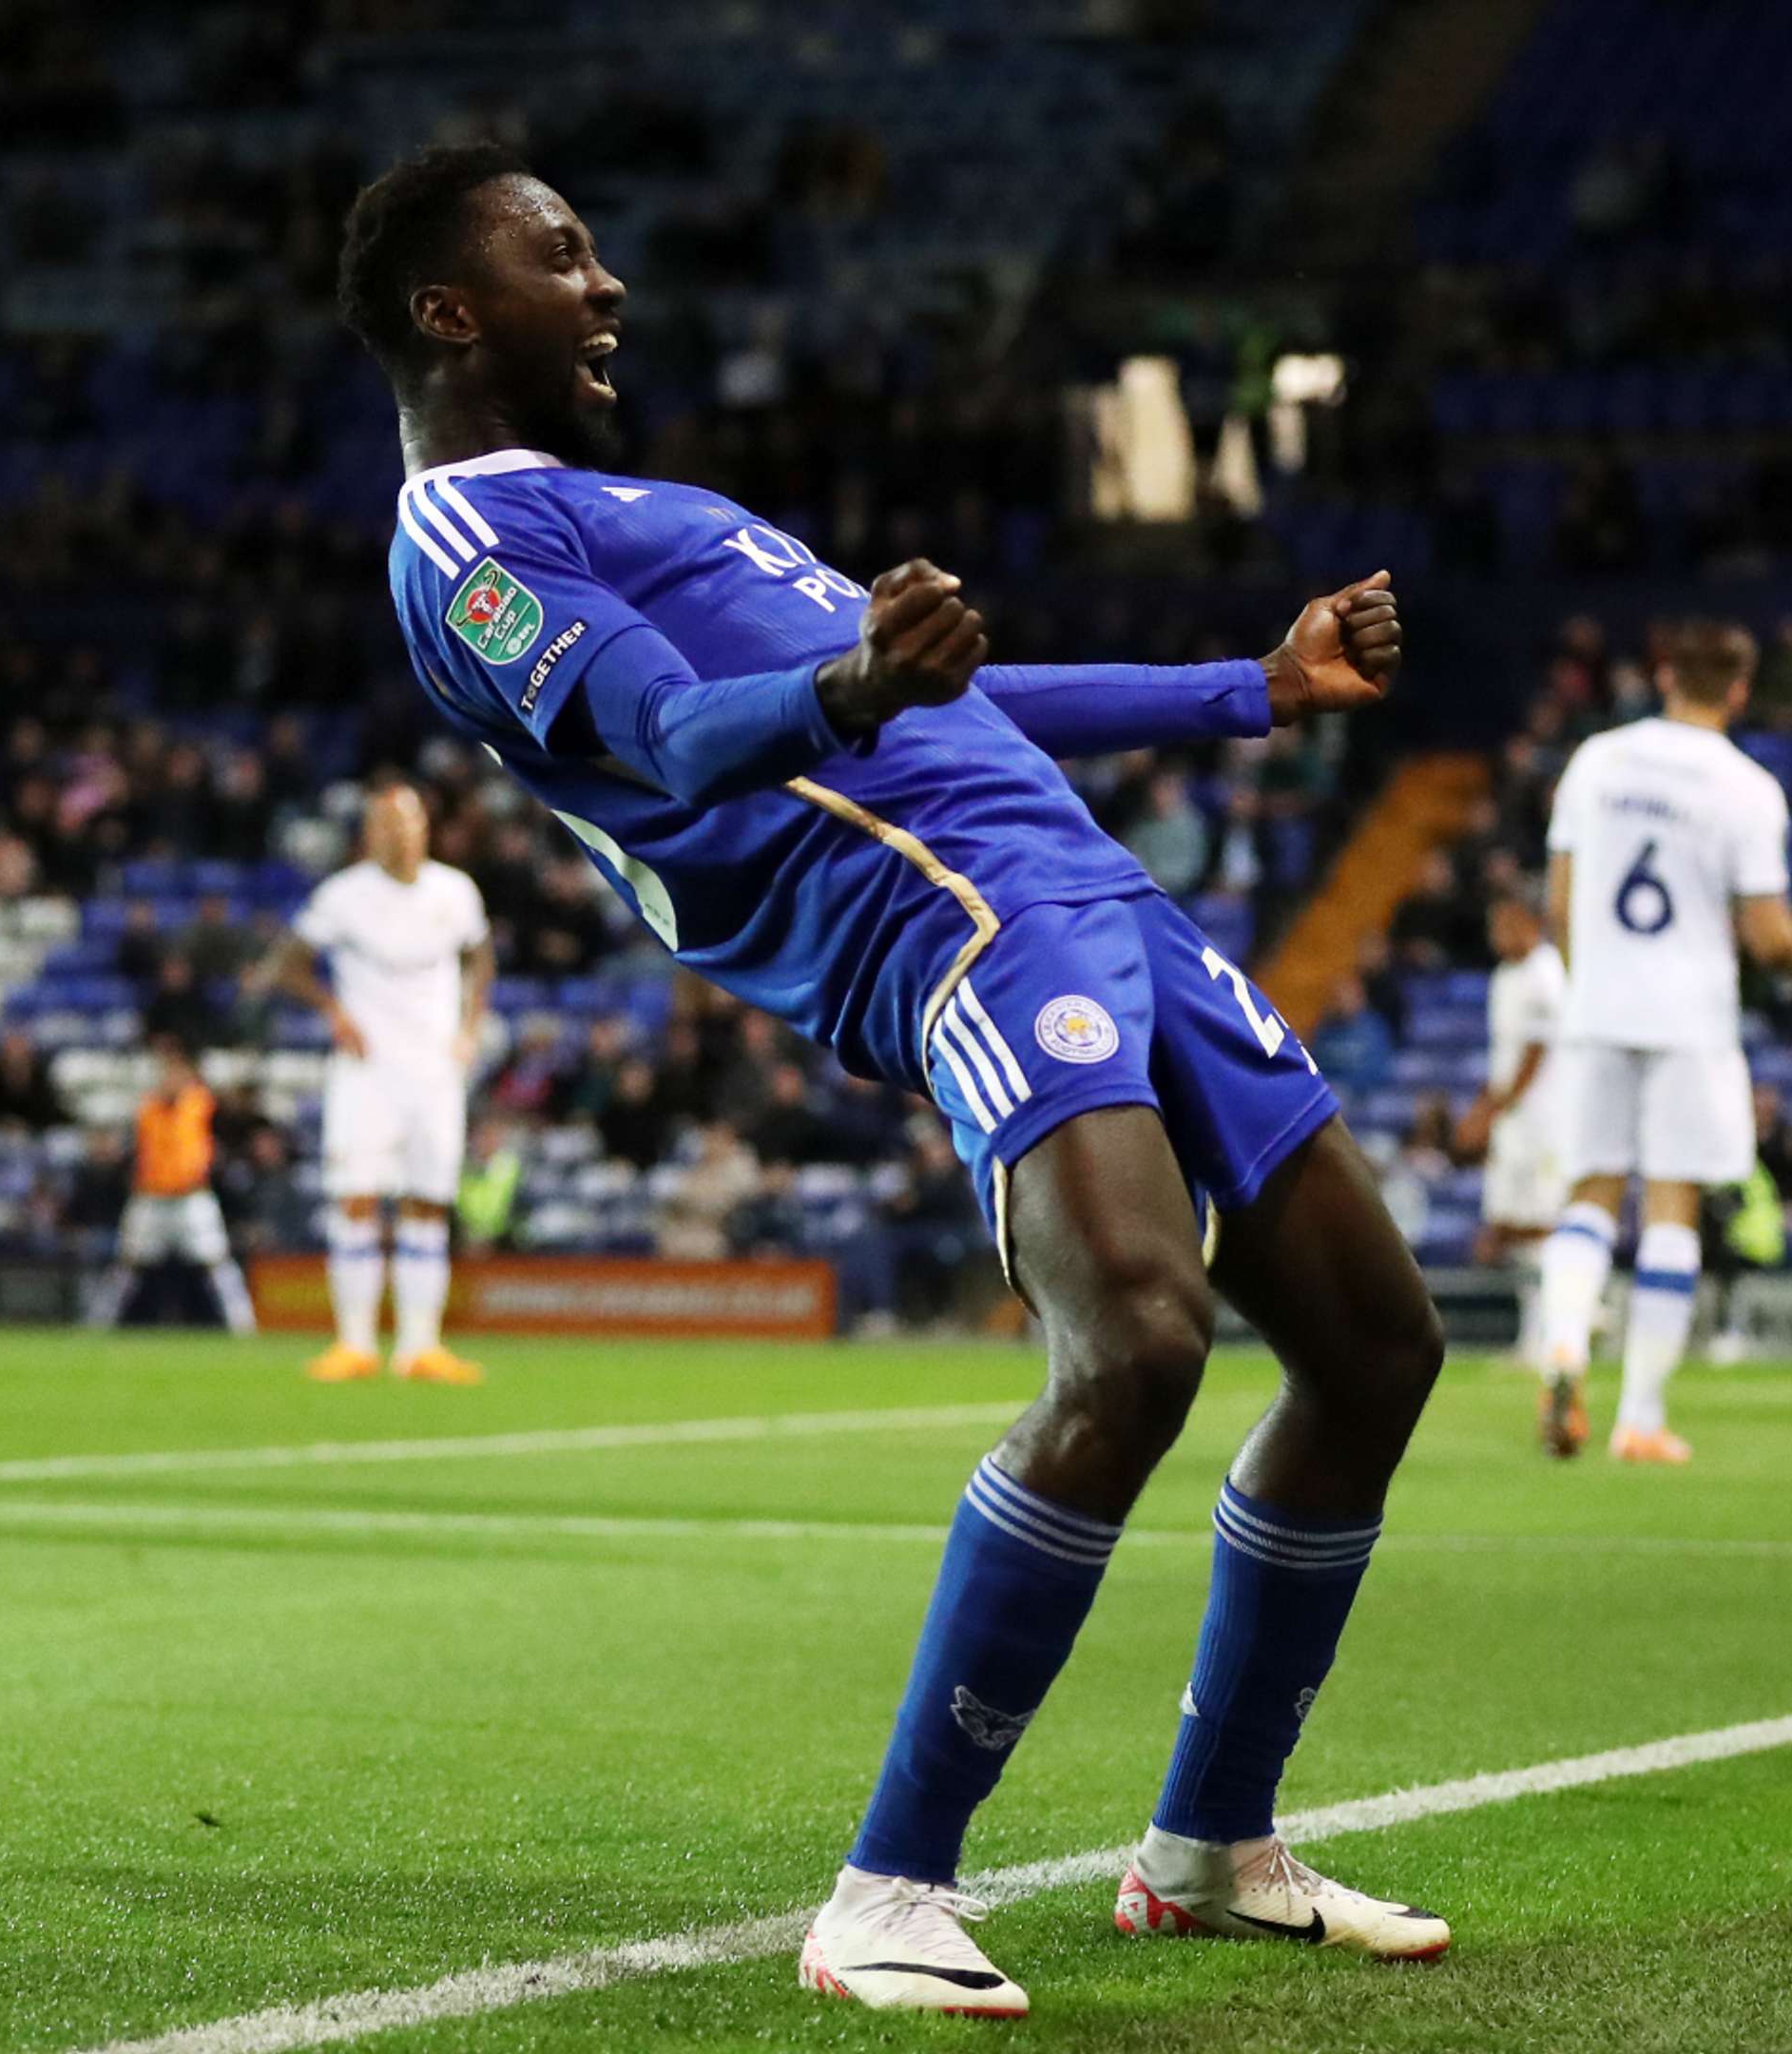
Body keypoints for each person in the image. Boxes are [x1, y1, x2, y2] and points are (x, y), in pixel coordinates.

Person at [340, 144, 1445, 2014]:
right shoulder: (468, 549)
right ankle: (888, 1889)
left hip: (1105, 898)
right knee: (1142, 1345)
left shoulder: (647, 503)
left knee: (1377, 1350)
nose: (607, 289)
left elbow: (965, 697)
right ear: (452, 314)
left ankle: (1207, 1848)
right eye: (564, 258)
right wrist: (849, 685)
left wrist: (1246, 690)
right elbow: (675, 738)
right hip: (958, 921)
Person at [1532, 621, 1792, 1463]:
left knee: (1589, 1192)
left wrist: (1591, 989)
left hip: (1599, 1007)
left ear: (1662, 676)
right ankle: (1640, 1419)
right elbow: (1767, 934)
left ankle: (1564, 1343)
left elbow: (1559, 900)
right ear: (1739, 689)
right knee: (1672, 1205)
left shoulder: (1597, 761)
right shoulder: (1747, 787)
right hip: (1690, 1016)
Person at [259, 780, 492, 1385]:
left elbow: (480, 958)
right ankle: (354, 1342)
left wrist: (470, 1027)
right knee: (357, 1199)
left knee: (427, 1204)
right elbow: (286, 964)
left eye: (407, 823)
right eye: (384, 825)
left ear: (425, 829)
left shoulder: (455, 891)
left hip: (435, 1069)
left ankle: (420, 1346)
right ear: (369, 835)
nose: (398, 835)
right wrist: (334, 1012)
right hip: (368, 1072)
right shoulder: (343, 896)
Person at [1456, 892, 1569, 1432]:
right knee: (1513, 1226)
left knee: (1540, 1224)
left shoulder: (1546, 973)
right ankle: (1537, 1336)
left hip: (1544, 1118)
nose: (1498, 935)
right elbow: (1505, 1056)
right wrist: (1487, 1107)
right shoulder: (1505, 977)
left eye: (1507, 923)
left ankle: (1558, 1332)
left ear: (1531, 921)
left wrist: (1493, 1109)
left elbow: (1537, 1054)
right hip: (1514, 1119)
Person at [90, 1033, 260, 1333]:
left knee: (218, 1263)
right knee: (127, 1265)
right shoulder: (148, 1108)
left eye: (177, 1073)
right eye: (167, 1073)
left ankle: (244, 1325)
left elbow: (233, 1116)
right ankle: (97, 1324)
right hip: (152, 1196)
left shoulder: (201, 1104)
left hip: (192, 1196)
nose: (171, 1080)